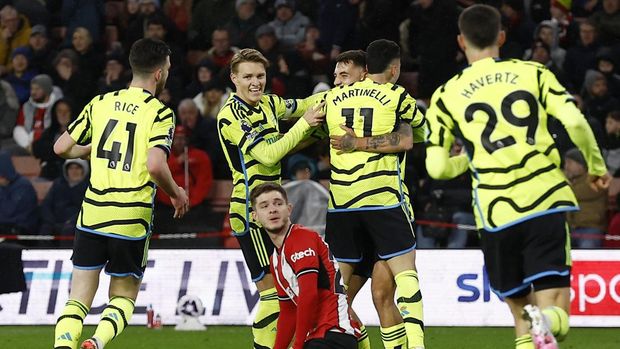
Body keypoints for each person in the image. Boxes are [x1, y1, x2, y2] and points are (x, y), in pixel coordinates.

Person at [423, 5, 609, 349]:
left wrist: (469, 160)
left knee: (520, 312)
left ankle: (534, 322)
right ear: (502, 37)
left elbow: (436, 169)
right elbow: (577, 123)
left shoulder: (445, 96)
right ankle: (545, 320)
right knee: (557, 318)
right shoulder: (533, 73)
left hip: (495, 214)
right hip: (545, 200)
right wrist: (597, 168)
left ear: (462, 42)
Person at [52, 37, 189, 349]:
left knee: (78, 299)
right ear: (159, 73)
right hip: (130, 216)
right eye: (167, 68)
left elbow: (60, 147)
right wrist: (176, 193)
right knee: (123, 296)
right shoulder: (159, 113)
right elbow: (155, 165)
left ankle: (63, 345)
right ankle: (96, 342)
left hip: (93, 213)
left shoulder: (100, 103)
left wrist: (91, 150)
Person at [216, 48, 324, 349]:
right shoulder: (231, 116)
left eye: (260, 76)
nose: (255, 82)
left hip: (272, 208)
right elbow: (267, 153)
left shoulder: (268, 103)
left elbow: (302, 104)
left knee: (283, 293)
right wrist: (305, 124)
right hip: (250, 212)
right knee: (272, 294)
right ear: (234, 78)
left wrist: (340, 94)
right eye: (248, 76)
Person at [323, 39, 426, 349]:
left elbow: (302, 118)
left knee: (379, 295)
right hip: (383, 202)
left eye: (344, 74)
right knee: (343, 299)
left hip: (344, 207)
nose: (339, 80)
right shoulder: (396, 96)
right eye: (337, 75)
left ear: (365, 71)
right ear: (394, 69)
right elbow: (413, 136)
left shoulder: (331, 100)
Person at [250, 182, 357, 349]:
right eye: (264, 206)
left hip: (333, 335)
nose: (272, 209)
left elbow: (309, 295)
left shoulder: (301, 238)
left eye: (278, 203)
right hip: (317, 338)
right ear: (254, 216)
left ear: (289, 209)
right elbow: (288, 311)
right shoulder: (276, 259)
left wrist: (298, 345)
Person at [564, 148, 608, 248]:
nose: (566, 167)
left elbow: (576, 193)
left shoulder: (596, 179)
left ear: (581, 165)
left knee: (587, 248)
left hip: (590, 228)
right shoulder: (571, 181)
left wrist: (564, 188)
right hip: (571, 228)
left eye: (570, 163)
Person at [0, 150, 37, 234]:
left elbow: (9, 211)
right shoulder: (2, 187)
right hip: (5, 226)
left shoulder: (23, 186)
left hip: (21, 230)